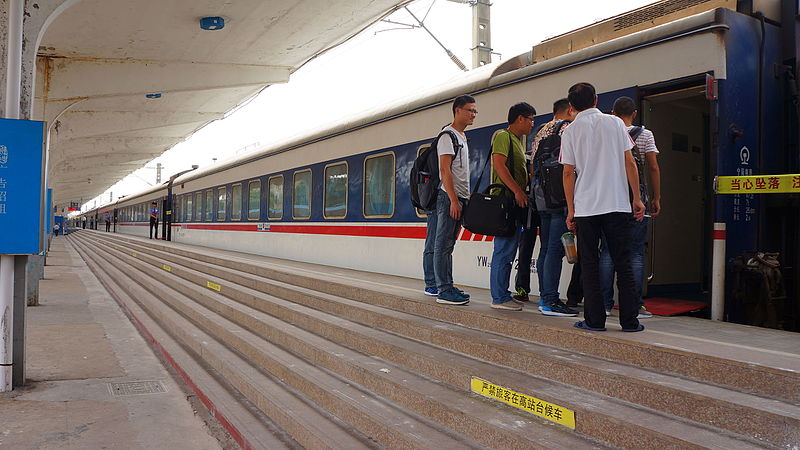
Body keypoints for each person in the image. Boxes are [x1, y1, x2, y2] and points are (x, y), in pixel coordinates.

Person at [560, 82, 645, 332]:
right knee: (623, 262)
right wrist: (637, 198)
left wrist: (571, 209)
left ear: (572, 106)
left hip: (586, 208)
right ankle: (630, 321)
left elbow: (568, 173)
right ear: (596, 100)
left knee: (590, 263)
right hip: (617, 205)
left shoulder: (570, 131)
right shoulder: (616, 123)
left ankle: (594, 321)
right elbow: (630, 163)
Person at [600, 96, 663, 318]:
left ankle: (605, 304)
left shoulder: (607, 134)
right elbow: (653, 167)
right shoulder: (646, 135)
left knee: (607, 252)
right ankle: (634, 304)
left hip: (609, 197)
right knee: (635, 252)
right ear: (634, 114)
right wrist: (656, 197)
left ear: (613, 114)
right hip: (636, 196)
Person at [529, 98, 579, 317]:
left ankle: (544, 296)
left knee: (546, 248)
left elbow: (533, 166)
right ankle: (550, 300)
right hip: (560, 196)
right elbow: (570, 166)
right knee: (556, 249)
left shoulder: (540, 131)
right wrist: (572, 203)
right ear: (569, 111)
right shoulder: (568, 129)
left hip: (541, 195)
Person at [489, 102, 536, 310]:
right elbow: (499, 164)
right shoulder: (503, 136)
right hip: (506, 202)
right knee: (503, 250)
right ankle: (499, 297)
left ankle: (503, 293)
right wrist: (517, 190)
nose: (532, 123)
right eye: (530, 119)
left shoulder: (517, 141)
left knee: (508, 250)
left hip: (514, 203)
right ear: (519, 118)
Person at [432, 95, 477, 305]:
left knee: (449, 244)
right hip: (449, 197)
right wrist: (453, 200)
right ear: (457, 110)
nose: (473, 115)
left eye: (475, 111)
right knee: (442, 243)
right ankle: (443, 289)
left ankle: (448, 285)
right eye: (470, 110)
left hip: (460, 197)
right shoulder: (447, 136)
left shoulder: (461, 136)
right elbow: (444, 170)